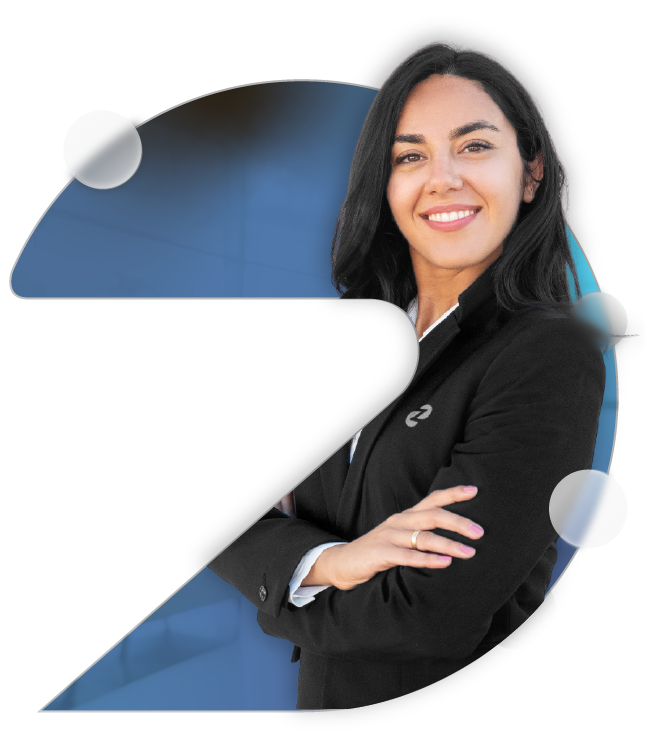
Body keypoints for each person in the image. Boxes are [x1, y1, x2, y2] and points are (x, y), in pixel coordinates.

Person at [208, 41, 605, 710]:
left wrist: (277, 590)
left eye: (474, 146)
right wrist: (332, 562)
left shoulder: (548, 353)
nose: (442, 179)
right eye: (410, 156)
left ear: (531, 172)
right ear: (384, 183)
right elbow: (221, 512)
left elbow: (426, 615)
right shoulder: (346, 346)